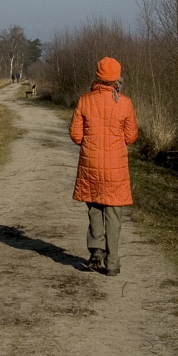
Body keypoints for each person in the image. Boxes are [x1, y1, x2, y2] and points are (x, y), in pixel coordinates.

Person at [68, 56, 138, 275]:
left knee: (95, 208)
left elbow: (76, 135)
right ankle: (113, 262)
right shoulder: (124, 103)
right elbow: (131, 136)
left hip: (91, 163)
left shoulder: (85, 100)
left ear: (97, 76)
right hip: (116, 166)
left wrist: (91, 143)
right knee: (113, 212)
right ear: (117, 78)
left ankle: (96, 251)